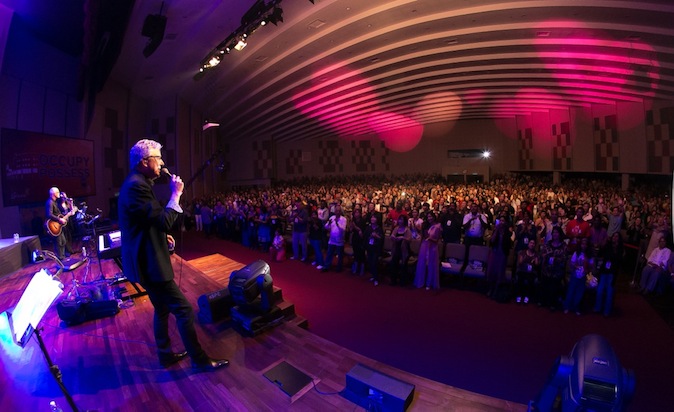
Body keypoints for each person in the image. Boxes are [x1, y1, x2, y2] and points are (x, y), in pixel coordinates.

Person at [118, 139, 227, 371]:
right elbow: (164, 219)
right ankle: (200, 361)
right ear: (145, 161)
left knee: (163, 308)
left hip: (143, 260)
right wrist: (175, 195)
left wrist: (162, 235)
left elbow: (147, 221)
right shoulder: (137, 186)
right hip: (150, 264)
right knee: (185, 310)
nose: (162, 162)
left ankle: (165, 354)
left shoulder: (136, 182)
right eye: (158, 158)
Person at [593, 232, 624, 317]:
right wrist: (605, 243)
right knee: (600, 290)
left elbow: (620, 262)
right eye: (614, 236)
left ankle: (607, 310)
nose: (615, 238)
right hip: (604, 271)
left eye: (617, 236)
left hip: (612, 273)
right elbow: (600, 254)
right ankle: (597, 307)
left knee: (609, 292)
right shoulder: (608, 246)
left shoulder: (620, 249)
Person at [538, 226, 567, 311]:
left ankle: (553, 303)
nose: (555, 234)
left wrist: (556, 259)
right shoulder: (548, 244)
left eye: (557, 232)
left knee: (554, 285)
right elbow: (543, 254)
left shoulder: (563, 245)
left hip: (557, 271)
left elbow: (564, 258)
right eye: (553, 232)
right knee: (544, 282)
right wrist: (546, 256)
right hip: (547, 269)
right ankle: (543, 301)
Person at [564, 237, 594, 315]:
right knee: (571, 291)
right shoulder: (576, 253)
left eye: (585, 244)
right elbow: (571, 263)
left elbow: (591, 266)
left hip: (583, 276)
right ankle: (567, 306)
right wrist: (576, 266)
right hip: (575, 275)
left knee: (579, 293)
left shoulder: (589, 255)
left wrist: (587, 269)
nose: (584, 246)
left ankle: (576, 307)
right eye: (582, 244)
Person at [45, 187, 77, 259]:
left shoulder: (54, 202)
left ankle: (63, 257)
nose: (59, 194)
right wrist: (59, 219)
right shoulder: (50, 202)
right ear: (54, 194)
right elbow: (49, 214)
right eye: (58, 192)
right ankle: (61, 258)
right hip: (54, 225)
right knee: (59, 242)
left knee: (63, 241)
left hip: (58, 226)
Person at [414, 212, 442, 290]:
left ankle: (429, 283)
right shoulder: (425, 225)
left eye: (431, 216)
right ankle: (420, 281)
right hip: (424, 245)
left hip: (433, 246)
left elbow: (437, 240)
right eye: (428, 216)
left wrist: (430, 239)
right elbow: (422, 237)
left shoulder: (437, 226)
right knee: (422, 264)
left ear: (434, 217)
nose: (429, 218)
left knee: (431, 265)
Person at [514, 239, 540, 304]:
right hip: (522, 270)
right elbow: (520, 262)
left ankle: (527, 296)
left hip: (531, 272)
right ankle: (519, 296)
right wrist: (525, 259)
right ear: (528, 244)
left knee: (530, 280)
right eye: (531, 243)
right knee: (520, 278)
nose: (532, 244)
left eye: (533, 243)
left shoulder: (536, 254)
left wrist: (535, 260)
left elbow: (537, 264)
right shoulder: (523, 252)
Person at [323, 205, 347, 272]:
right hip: (332, 239)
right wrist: (328, 224)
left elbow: (343, 229)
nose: (338, 212)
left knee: (340, 256)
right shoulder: (332, 217)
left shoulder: (343, 219)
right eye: (336, 211)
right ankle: (326, 266)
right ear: (335, 211)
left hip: (340, 240)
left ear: (341, 212)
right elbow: (326, 227)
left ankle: (339, 268)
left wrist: (337, 223)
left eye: (339, 211)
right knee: (329, 253)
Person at [364, 215, 384, 286]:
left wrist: (376, 236)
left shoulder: (379, 229)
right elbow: (365, 237)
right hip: (369, 247)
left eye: (374, 217)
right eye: (372, 217)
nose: (372, 219)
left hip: (376, 248)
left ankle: (376, 278)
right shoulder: (368, 228)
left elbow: (382, 239)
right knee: (370, 262)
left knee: (375, 262)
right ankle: (373, 275)